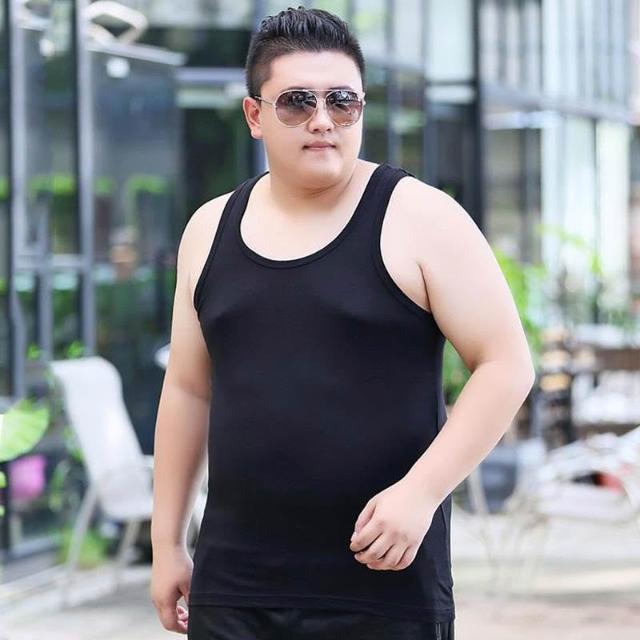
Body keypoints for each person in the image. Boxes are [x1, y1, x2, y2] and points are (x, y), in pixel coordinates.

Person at [150, 6, 535, 640]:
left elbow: (506, 365)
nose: (323, 120)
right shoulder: (209, 228)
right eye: (297, 102)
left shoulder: (421, 217)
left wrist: (421, 493)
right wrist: (167, 543)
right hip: (235, 587)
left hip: (383, 583)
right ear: (254, 115)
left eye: (343, 101)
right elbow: (189, 389)